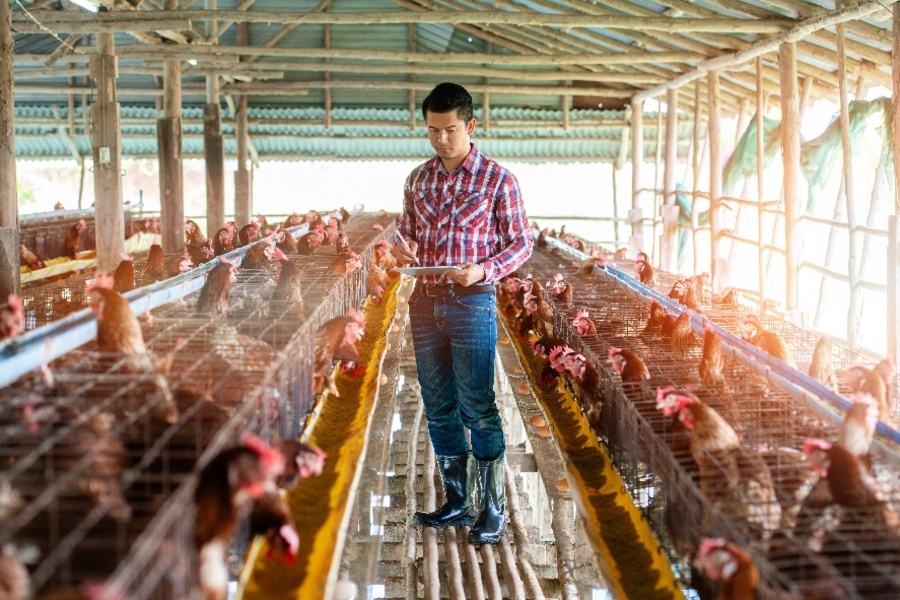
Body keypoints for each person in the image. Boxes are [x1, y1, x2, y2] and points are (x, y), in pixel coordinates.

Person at [394, 82, 533, 545]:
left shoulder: (498, 180)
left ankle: (492, 510)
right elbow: (405, 232)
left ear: (470, 126)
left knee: (478, 404)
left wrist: (484, 270)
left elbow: (522, 243)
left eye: (449, 129)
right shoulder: (418, 179)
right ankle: (458, 503)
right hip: (425, 301)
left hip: (472, 302)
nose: (440, 139)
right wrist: (403, 247)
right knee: (437, 406)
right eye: (432, 130)